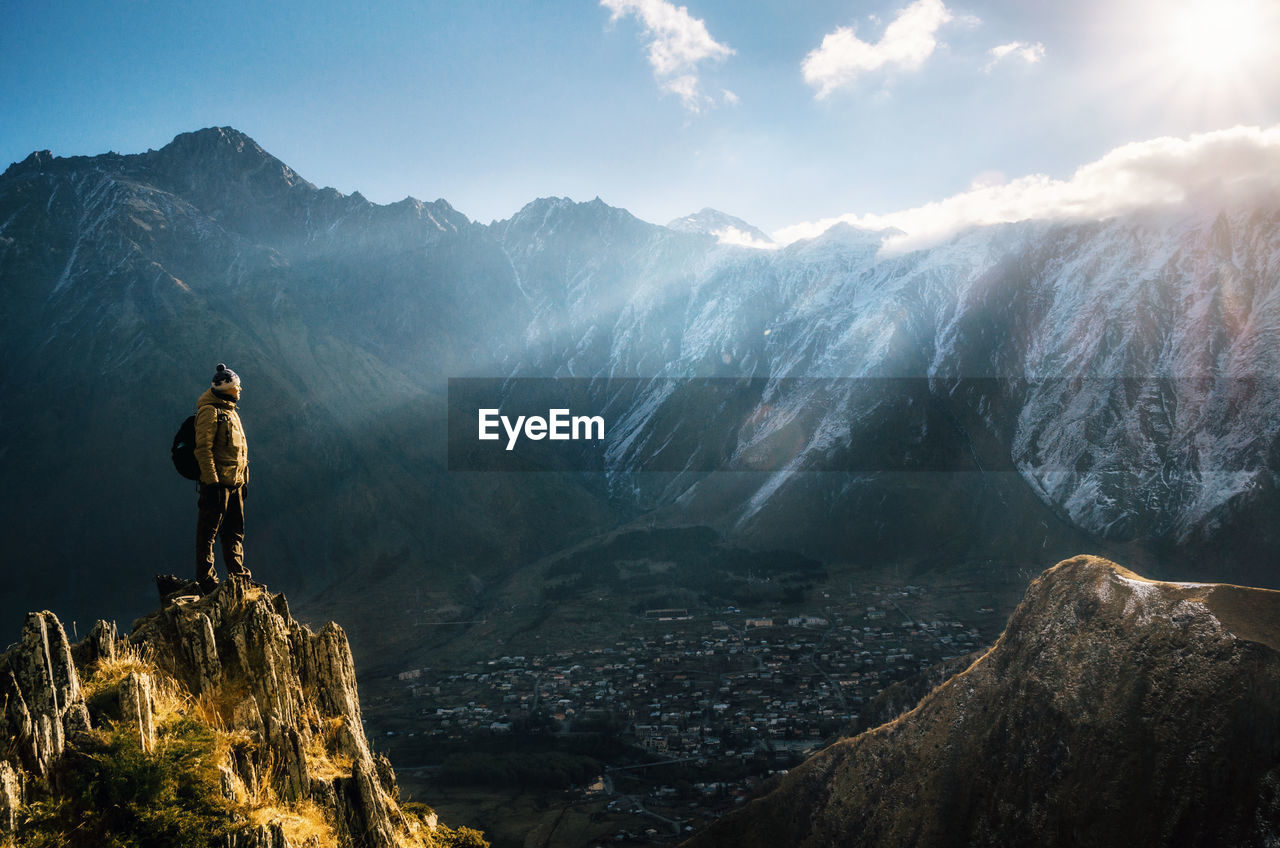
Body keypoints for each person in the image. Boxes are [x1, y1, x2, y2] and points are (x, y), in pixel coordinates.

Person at [194, 363, 251, 593]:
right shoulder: (210, 411)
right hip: (217, 486)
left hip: (234, 484)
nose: (240, 390)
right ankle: (207, 581)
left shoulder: (230, 411)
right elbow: (203, 449)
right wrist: (213, 482)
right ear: (226, 388)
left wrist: (243, 480)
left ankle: (239, 577)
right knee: (208, 534)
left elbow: (240, 451)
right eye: (237, 386)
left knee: (234, 532)